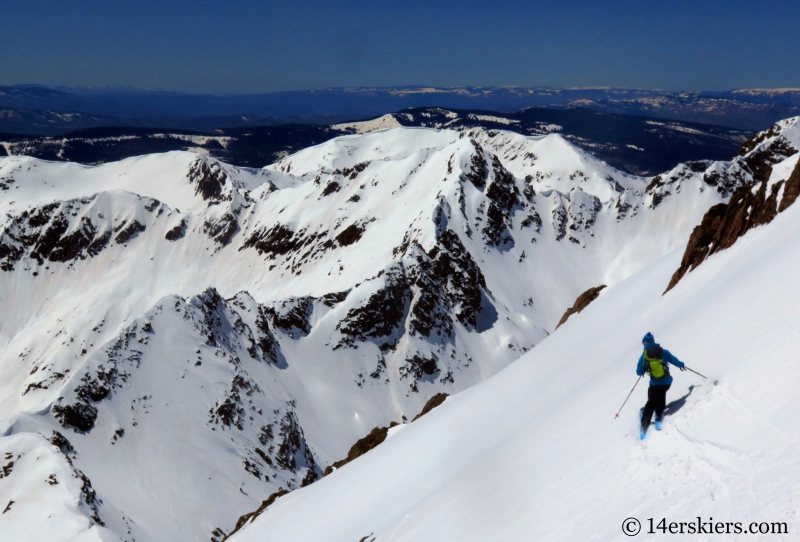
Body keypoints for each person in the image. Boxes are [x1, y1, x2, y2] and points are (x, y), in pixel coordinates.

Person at [636, 332, 685, 439]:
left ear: (645, 343)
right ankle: (658, 417)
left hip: (655, 384)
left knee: (651, 402)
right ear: (653, 341)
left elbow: (639, 372)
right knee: (661, 394)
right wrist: (681, 364)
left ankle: (644, 427)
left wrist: (645, 368)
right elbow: (674, 360)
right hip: (667, 382)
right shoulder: (663, 351)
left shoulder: (644, 356)